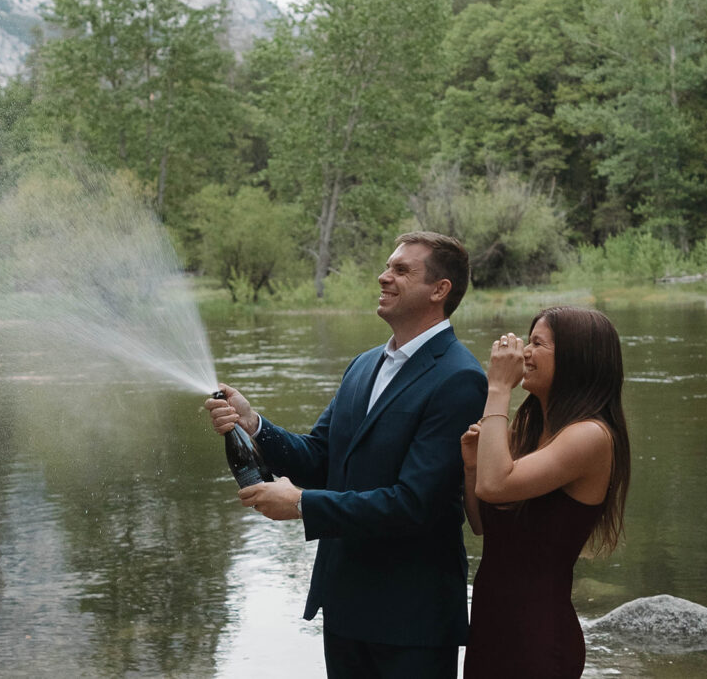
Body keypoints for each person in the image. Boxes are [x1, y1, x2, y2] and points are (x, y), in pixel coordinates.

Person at [205, 231, 487, 678]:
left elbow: (416, 504)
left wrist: (300, 504)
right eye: (387, 266)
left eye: (401, 270)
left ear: (440, 290)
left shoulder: (460, 379)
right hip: (344, 605)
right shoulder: (363, 365)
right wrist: (254, 423)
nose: (383, 276)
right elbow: (319, 458)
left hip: (411, 617)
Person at [461, 306, 631, 678]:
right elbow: (482, 524)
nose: (524, 353)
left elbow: (495, 485)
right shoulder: (529, 427)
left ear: (575, 358)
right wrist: (472, 466)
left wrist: (498, 387)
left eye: (537, 343)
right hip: (491, 627)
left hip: (538, 636)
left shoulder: (590, 436)